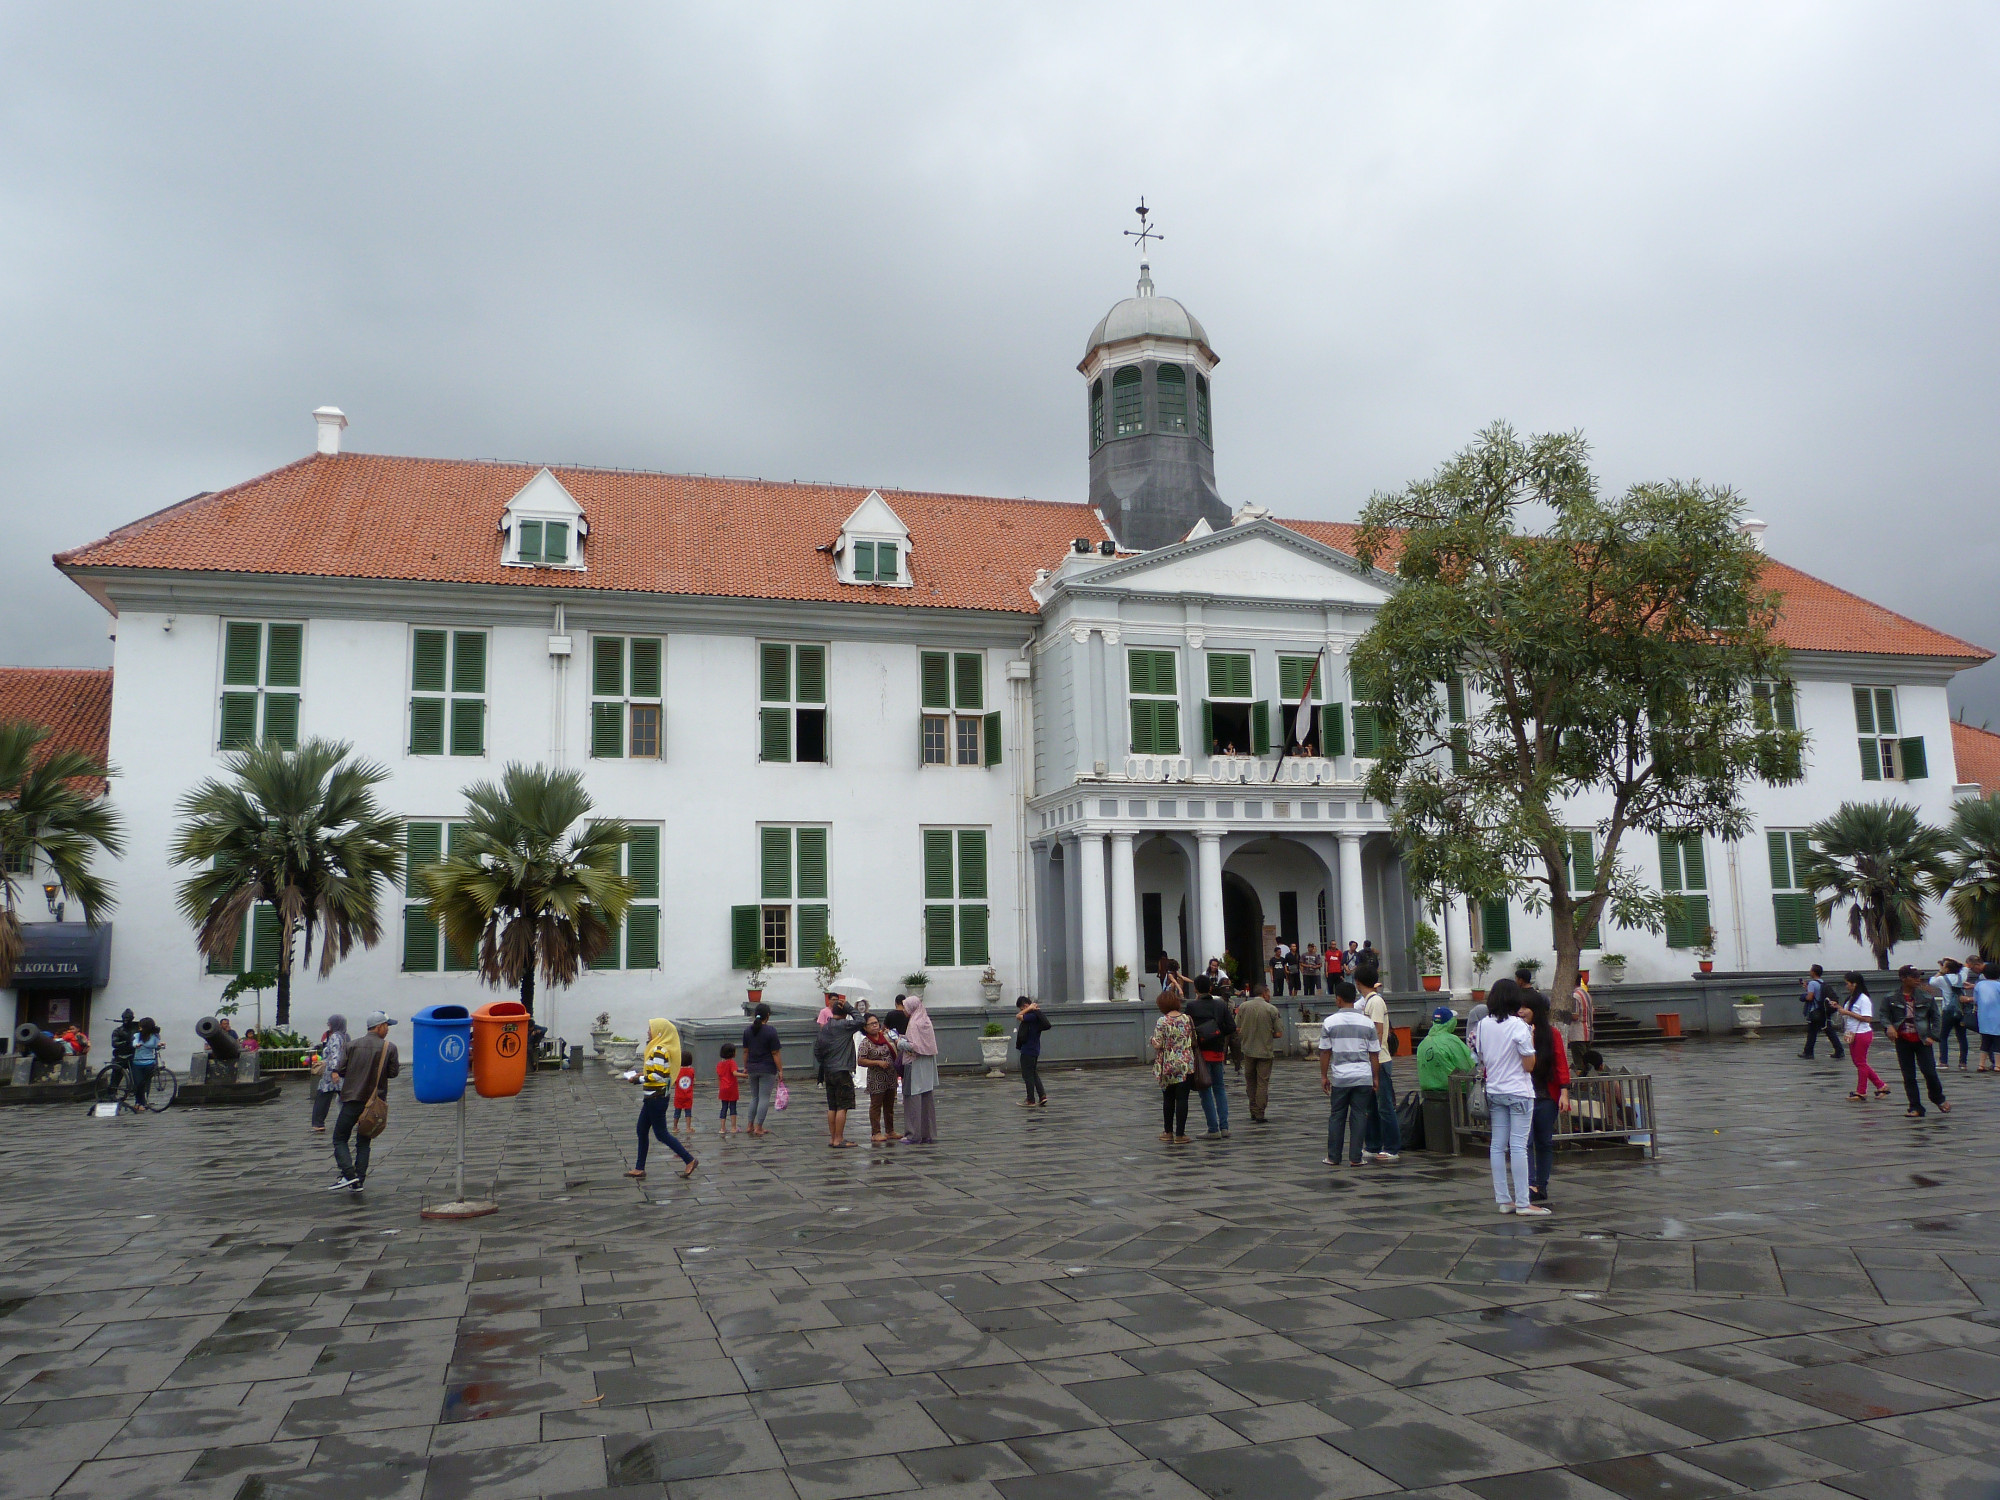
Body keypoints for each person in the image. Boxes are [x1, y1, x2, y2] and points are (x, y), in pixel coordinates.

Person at [1472, 980, 1542, 1215]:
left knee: (1497, 1146)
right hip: (1519, 1091)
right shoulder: (1519, 1026)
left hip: (1495, 1090)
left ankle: (1504, 1199)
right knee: (1519, 1146)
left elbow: (1480, 1055)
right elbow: (1529, 1065)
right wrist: (1531, 1038)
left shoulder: (1482, 1025)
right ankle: (1524, 1202)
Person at [330, 1011, 399, 1192]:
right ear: (379, 1027)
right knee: (364, 1140)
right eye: (387, 1026)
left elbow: (341, 1069)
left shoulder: (351, 1045)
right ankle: (358, 1179)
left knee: (339, 1138)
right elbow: (393, 1073)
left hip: (352, 1099)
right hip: (374, 1102)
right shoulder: (389, 1048)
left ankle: (349, 1175)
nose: (388, 1030)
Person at [625, 1017, 697, 1179]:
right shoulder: (658, 1048)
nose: (648, 1032)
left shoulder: (659, 1049)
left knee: (661, 1133)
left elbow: (657, 1076)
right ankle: (639, 1168)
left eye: (650, 1029)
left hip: (655, 1099)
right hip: (653, 1097)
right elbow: (659, 1071)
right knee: (641, 1130)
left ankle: (689, 1159)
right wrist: (641, 1074)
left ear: (659, 1032)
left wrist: (638, 1079)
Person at [1317, 979, 1379, 1166]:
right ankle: (1356, 1158)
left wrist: (1324, 1076)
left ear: (1338, 999)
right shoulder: (1367, 1023)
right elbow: (1374, 1054)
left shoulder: (1330, 1022)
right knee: (1359, 1116)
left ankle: (1333, 1157)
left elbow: (1325, 1052)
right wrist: (1375, 1078)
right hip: (1363, 1076)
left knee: (1337, 1115)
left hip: (1341, 1077)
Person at [1523, 992, 1570, 1208]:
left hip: (1546, 1096)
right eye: (1519, 1007)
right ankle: (1530, 1184)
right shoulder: (1517, 1032)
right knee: (1525, 1141)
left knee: (1544, 1142)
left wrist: (1564, 1092)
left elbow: (1561, 1063)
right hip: (1523, 1095)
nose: (1521, 1012)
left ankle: (1541, 1184)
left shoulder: (1552, 1034)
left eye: (1526, 1008)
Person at [1885, 966, 1950, 1119]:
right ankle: (1915, 1106)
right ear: (1903, 978)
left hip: (1922, 1041)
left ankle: (1937, 1098)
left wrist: (1933, 1036)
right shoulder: (1891, 997)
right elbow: (1884, 1015)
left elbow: (1936, 1017)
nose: (1917, 979)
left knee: (1930, 1072)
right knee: (1908, 1076)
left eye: (1918, 976)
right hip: (1903, 1041)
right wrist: (1889, 1027)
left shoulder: (1926, 997)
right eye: (1913, 976)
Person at [1353, 956, 1400, 1163]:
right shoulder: (1369, 1002)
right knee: (1371, 1106)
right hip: (1372, 1059)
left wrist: (1370, 1057)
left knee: (1384, 1105)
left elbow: (1377, 1032)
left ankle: (1391, 1146)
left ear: (1358, 982)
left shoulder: (1375, 1002)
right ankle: (1373, 1144)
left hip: (1379, 1059)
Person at [1184, 975, 1236, 1138]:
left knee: (1204, 1088)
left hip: (1201, 1053)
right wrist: (1218, 1033)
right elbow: (1231, 1027)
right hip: (1218, 1051)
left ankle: (1213, 1128)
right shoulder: (1220, 1004)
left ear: (1196, 989)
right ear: (1211, 988)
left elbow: (1187, 1030)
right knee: (1219, 1088)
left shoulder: (1191, 1006)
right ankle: (1224, 1126)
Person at [813, 1000, 866, 1148]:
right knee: (843, 1106)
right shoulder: (844, 1025)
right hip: (842, 1070)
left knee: (832, 1106)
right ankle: (839, 1139)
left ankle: (833, 1138)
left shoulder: (825, 1028)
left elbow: (817, 1050)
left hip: (828, 1070)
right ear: (844, 1014)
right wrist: (850, 1008)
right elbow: (861, 1021)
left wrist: (824, 1062)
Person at [1830, 972, 1887, 1101]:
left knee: (1861, 1063)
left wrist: (1847, 1012)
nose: (1846, 986)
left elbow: (1867, 1018)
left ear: (1854, 984)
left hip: (1862, 1033)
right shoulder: (1852, 998)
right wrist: (1839, 1008)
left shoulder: (1863, 999)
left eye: (1847, 984)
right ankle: (1880, 1085)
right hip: (1853, 1033)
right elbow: (1848, 1014)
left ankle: (1861, 1091)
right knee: (1859, 1063)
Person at [1152, 988, 1196, 1145]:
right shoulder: (1187, 1019)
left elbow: (1158, 1044)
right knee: (1182, 1099)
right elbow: (1191, 1038)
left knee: (1168, 1098)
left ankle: (1167, 1131)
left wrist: (1152, 1041)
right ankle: (1180, 1134)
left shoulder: (1162, 1021)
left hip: (1167, 1064)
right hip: (1185, 1063)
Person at [1235, 984, 1283, 1124]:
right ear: (1264, 993)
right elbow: (1279, 1033)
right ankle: (1260, 1113)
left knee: (1250, 1082)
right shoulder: (1271, 1009)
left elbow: (1237, 1028)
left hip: (1248, 1050)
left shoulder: (1243, 1007)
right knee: (1262, 1082)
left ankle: (1252, 1109)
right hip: (1265, 1051)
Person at [897, 993, 940, 1144]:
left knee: (912, 1098)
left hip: (915, 1064)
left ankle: (913, 1134)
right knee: (927, 1098)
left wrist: (899, 1042)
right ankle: (928, 1134)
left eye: (906, 1007)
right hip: (928, 1065)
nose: (904, 1010)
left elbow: (914, 1046)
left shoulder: (913, 1024)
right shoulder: (925, 1021)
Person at [741, 1004, 784, 1136]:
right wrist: (780, 1070)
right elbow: (775, 1053)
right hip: (767, 1068)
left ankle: (749, 1125)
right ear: (768, 1016)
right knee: (764, 1098)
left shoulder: (748, 1031)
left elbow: (745, 1051)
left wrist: (745, 1067)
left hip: (752, 1067)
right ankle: (759, 1127)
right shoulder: (771, 1031)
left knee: (754, 1097)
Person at [855, 1014, 899, 1143]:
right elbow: (861, 1061)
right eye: (871, 1024)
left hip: (890, 1076)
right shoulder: (866, 1042)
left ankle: (890, 1131)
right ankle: (876, 1132)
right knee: (876, 1105)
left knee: (889, 1105)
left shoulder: (885, 1037)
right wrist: (877, 1062)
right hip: (876, 1078)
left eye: (876, 1023)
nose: (875, 1025)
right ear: (865, 1027)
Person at [312, 1014, 349, 1132]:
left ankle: (318, 1123)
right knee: (346, 1097)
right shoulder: (345, 1036)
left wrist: (334, 1070)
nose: (328, 1025)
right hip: (342, 1071)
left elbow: (335, 1054)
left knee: (322, 1097)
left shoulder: (335, 1037)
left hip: (331, 1074)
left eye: (330, 1023)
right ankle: (353, 1119)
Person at [1799, 964, 1842, 1060]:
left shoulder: (1812, 984)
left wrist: (1803, 997)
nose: (1809, 972)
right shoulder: (1821, 983)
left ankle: (1808, 1052)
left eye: (1811, 970)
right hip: (1823, 1010)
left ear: (1813, 972)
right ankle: (1839, 1050)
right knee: (1827, 1030)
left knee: (1812, 1032)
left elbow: (1810, 997)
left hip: (1815, 1011)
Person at [1934, 960, 1971, 1071]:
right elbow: (1965, 966)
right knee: (1962, 1037)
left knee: (1944, 1036)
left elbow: (1932, 981)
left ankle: (1943, 1062)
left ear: (1947, 969)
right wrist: (1952, 961)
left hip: (1948, 1010)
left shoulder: (1942, 979)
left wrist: (1941, 972)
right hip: (1961, 1010)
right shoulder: (1962, 977)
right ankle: (1963, 1063)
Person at [1014, 996, 1051, 1107]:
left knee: (1027, 1075)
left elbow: (1018, 1016)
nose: (1021, 1010)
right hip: (1035, 1049)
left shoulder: (1031, 1016)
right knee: (1034, 1073)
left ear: (1025, 1005)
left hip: (1028, 1050)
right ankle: (1042, 1096)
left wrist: (1029, 1008)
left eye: (1022, 1008)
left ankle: (1030, 1100)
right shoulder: (1037, 1016)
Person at [129, 1019, 161, 1107]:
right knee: (138, 1083)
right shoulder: (137, 1035)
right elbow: (134, 1043)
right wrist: (136, 1045)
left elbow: (157, 1046)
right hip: (137, 1063)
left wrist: (160, 1045)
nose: (139, 1028)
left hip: (149, 1062)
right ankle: (138, 1101)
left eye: (141, 1026)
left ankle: (143, 1102)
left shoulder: (154, 1036)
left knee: (146, 1083)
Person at [1977, 961, 2000, 1073]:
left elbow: (1976, 1000)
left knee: (1985, 1042)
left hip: (1983, 1017)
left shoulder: (1979, 985)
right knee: (1997, 1042)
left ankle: (1981, 1064)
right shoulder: (1998, 985)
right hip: (1997, 1017)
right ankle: (1997, 1065)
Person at [715, 1043, 741, 1134]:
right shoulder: (732, 1062)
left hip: (723, 1088)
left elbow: (719, 1077)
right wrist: (745, 1075)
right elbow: (734, 1073)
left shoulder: (719, 1064)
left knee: (724, 1107)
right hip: (732, 1088)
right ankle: (733, 1127)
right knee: (733, 1107)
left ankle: (722, 1128)